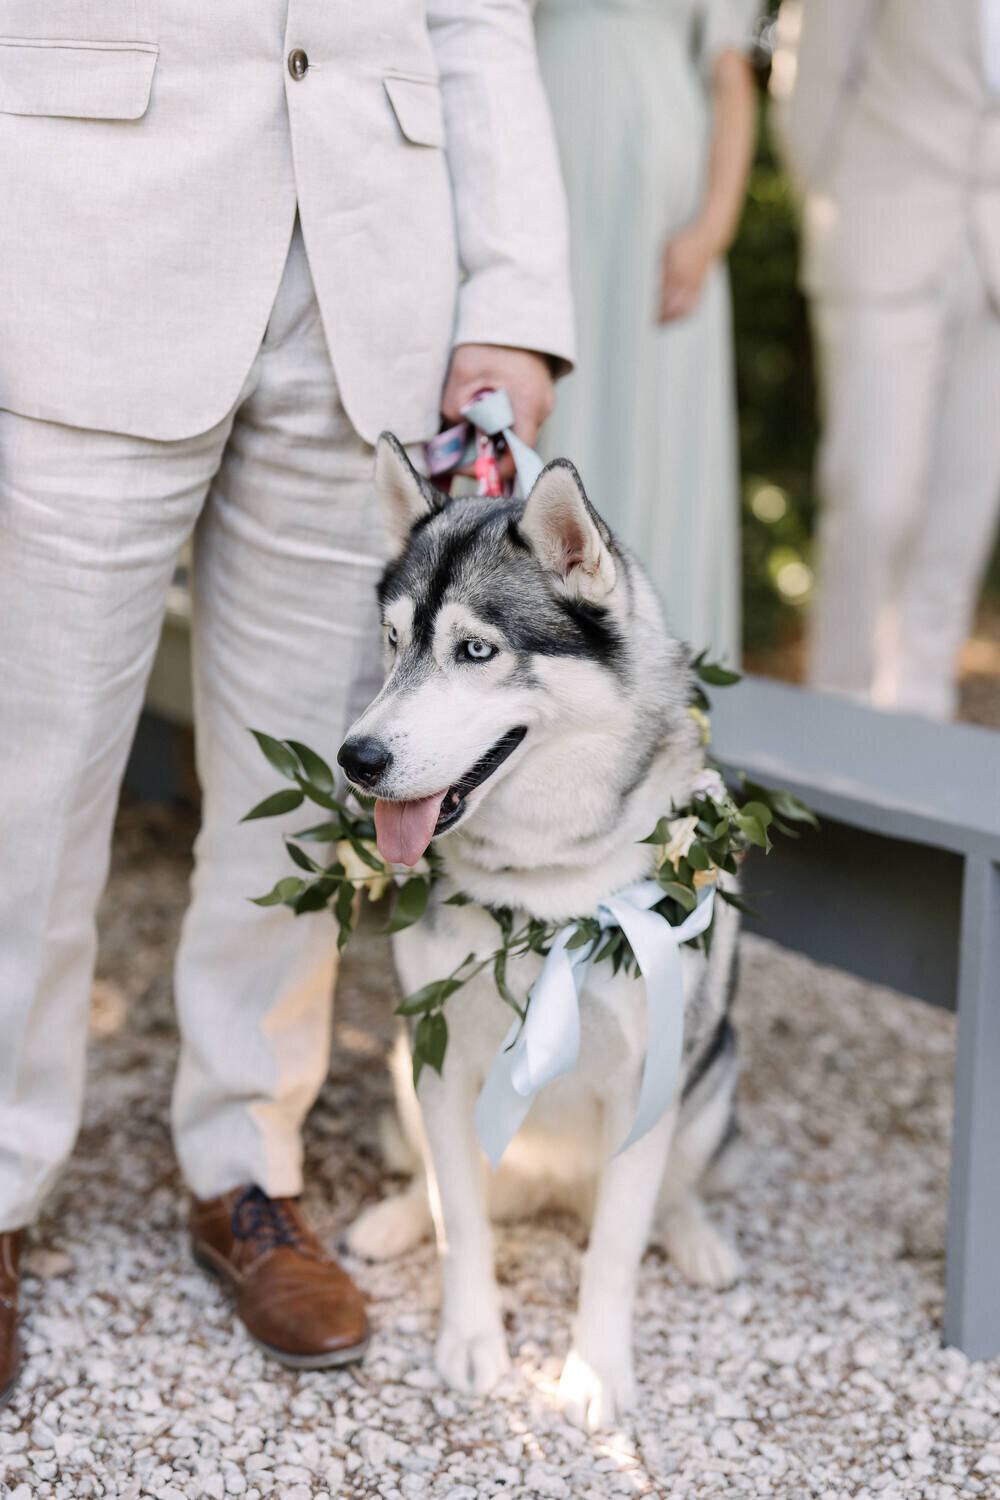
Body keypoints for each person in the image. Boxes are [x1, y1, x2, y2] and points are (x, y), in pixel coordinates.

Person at [0, 2, 572, 1405]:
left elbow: (475, 12)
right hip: (84, 236)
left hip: (374, 281)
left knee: (307, 783)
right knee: (37, 769)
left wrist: (512, 296)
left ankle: (246, 1167)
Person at [773, 0, 1000, 719]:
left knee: (963, 510)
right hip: (881, 232)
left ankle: (922, 717)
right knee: (873, 496)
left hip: (992, 255)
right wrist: (835, 207)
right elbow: (810, 80)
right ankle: (838, 713)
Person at [534, 0, 758, 664]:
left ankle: (650, 686)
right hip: (539, 175)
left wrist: (711, 232)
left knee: (653, 430)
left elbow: (731, 74)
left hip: (659, 224)